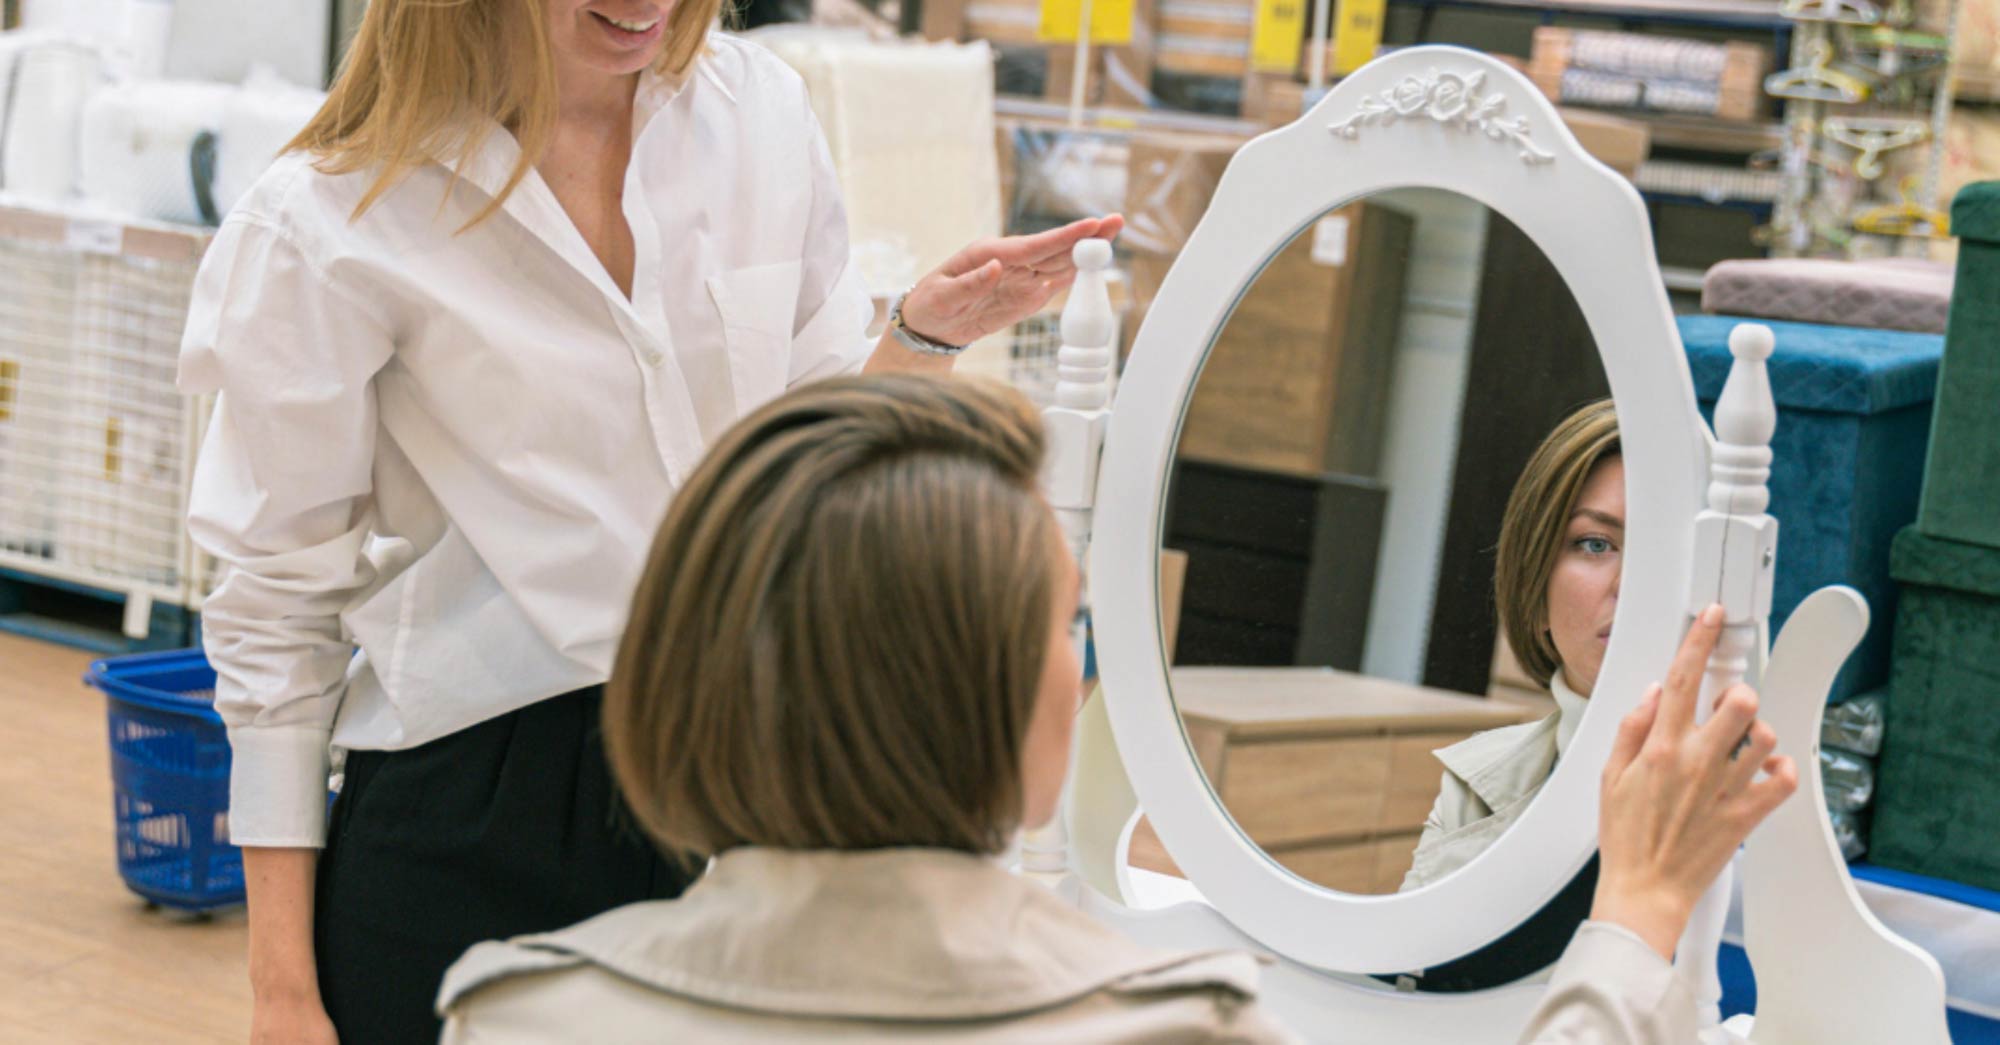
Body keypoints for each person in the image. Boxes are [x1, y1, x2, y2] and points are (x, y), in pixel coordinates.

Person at [178, 2, 1121, 1040]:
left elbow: (799, 453)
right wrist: (281, 986)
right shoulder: (332, 216)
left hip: (763, 782)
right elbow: (274, 608)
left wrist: (916, 338)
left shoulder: (758, 115)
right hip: (483, 800)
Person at [436, 375, 1797, 1042]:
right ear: (980, 691)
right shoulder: (1162, 1026)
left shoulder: (515, 1012)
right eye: (1065, 624)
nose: (1084, 668)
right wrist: (1638, 924)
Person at [1402, 398, 1622, 892]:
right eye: (1594, 544)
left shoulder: (1769, 795)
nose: (1627, 582)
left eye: (1660, 547)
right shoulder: (1476, 786)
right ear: (1536, 585)